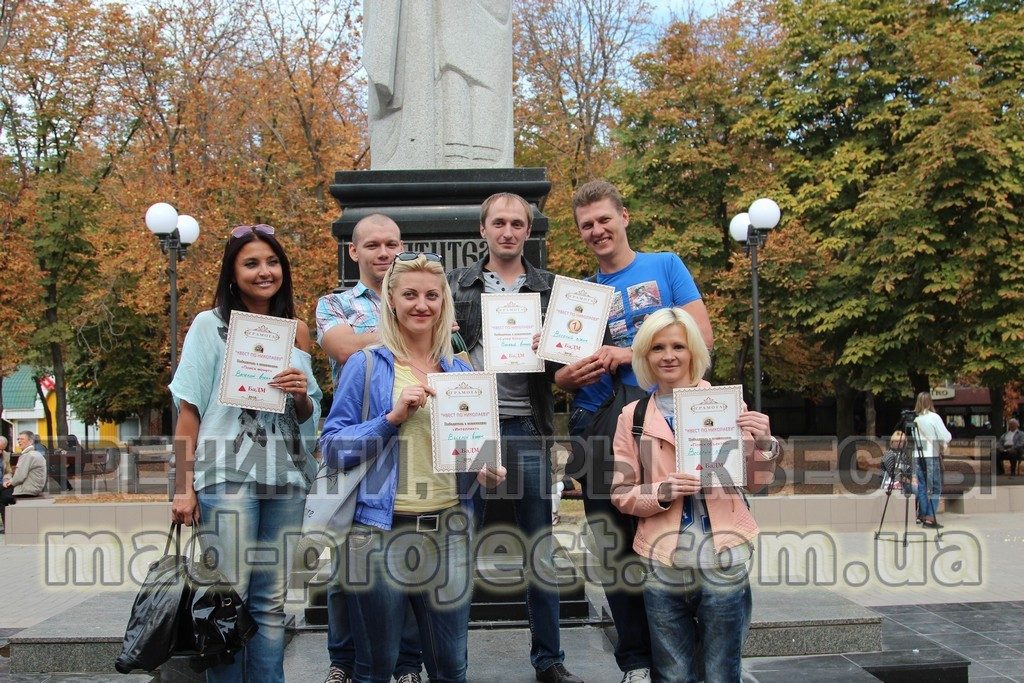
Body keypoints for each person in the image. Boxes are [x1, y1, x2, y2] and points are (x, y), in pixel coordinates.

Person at [319, 252, 506, 683]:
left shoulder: (461, 370)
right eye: (410, 295)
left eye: (431, 295)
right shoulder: (366, 366)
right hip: (379, 531)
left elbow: (473, 449)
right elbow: (331, 447)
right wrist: (390, 419)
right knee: (376, 666)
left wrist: (484, 469)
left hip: (450, 529)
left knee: (451, 665)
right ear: (392, 302)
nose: (421, 304)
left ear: (444, 303)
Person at [555, 180, 714, 683]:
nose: (597, 230)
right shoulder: (579, 294)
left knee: (670, 531)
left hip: (661, 418)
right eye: (587, 225)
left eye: (604, 219)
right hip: (595, 420)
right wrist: (562, 374)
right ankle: (637, 662)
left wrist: (629, 354)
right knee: (614, 546)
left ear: (624, 216)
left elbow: (702, 337)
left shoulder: (666, 265)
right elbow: (557, 371)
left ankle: (684, 653)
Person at [169, 224, 322, 682]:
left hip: (285, 479)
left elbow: (308, 416)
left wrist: (299, 395)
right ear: (232, 274)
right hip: (226, 476)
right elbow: (189, 410)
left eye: (272, 262)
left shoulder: (295, 331)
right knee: (227, 599)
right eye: (251, 263)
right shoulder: (209, 325)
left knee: (271, 604)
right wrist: (182, 489)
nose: (264, 271)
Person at [446, 192, 584, 683]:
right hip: (469, 428)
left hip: (527, 425)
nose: (508, 231)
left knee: (538, 549)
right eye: (498, 223)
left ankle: (549, 660)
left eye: (517, 224)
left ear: (529, 231)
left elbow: (571, 367)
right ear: (482, 230)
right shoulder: (452, 285)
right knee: (458, 548)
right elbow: (428, 347)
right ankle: (450, 663)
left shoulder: (553, 290)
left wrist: (550, 347)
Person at [610, 308, 778, 682]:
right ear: (645, 357)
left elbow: (755, 483)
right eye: (657, 347)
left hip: (724, 557)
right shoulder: (632, 416)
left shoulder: (725, 404)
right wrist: (661, 492)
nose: (668, 355)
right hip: (663, 559)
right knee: (672, 673)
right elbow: (621, 493)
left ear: (693, 352)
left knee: (721, 670)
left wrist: (765, 443)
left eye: (677, 346)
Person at [315, 214, 423, 683]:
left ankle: (405, 664)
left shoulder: (418, 293)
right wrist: (410, 326)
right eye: (374, 245)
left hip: (409, 441)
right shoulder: (335, 304)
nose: (385, 253)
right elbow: (343, 349)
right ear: (354, 252)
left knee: (410, 566)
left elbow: (445, 348)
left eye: (393, 244)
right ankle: (342, 661)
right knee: (348, 565)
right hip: (356, 440)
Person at [913, 392, 952, 529]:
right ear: (930, 402)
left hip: (918, 455)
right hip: (931, 454)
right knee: (935, 488)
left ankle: (923, 515)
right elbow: (945, 436)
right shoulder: (934, 417)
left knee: (922, 487)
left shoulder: (915, 418)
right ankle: (930, 518)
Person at [2, 432, 48, 528]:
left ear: (30, 441)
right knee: (4, 493)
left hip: (28, 489)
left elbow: (19, 477)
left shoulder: (28, 455)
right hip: (35, 487)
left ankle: (8, 527)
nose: (19, 441)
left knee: (2, 497)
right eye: (18, 439)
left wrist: (10, 482)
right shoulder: (34, 454)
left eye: (22, 439)